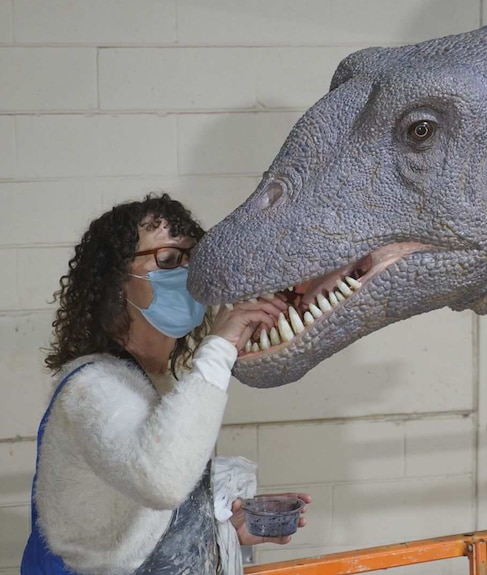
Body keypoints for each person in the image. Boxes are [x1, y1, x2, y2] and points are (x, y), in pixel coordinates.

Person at [21, 193, 309, 575]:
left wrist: (224, 533)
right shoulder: (91, 389)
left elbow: (143, 539)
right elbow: (163, 481)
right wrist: (220, 347)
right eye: (169, 260)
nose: (187, 273)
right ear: (117, 282)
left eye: (193, 257)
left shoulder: (159, 384)